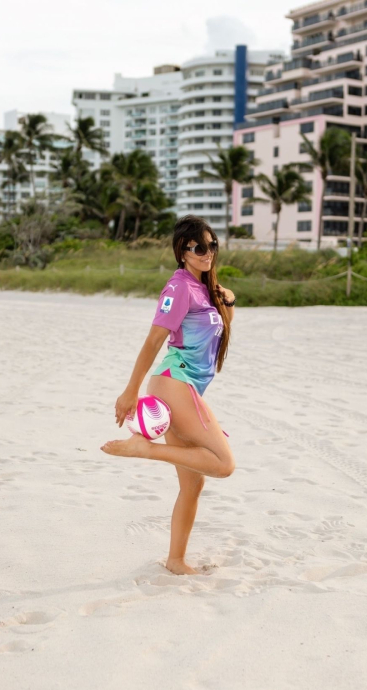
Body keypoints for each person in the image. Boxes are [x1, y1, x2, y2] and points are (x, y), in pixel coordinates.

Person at [101, 215, 236, 575]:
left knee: (193, 482)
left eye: (212, 245)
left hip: (185, 386)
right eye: (198, 247)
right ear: (182, 251)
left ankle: (176, 561)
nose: (207, 253)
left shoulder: (203, 288)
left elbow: (216, 338)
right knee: (223, 464)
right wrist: (130, 391)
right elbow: (154, 340)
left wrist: (229, 303)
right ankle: (146, 449)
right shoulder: (178, 288)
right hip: (174, 383)